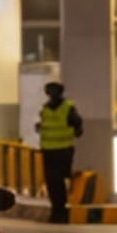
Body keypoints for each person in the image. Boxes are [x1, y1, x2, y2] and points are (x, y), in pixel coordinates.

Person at [35, 80, 83, 224]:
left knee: (57, 181)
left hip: (62, 149)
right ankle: (57, 210)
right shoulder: (46, 109)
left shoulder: (67, 107)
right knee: (52, 182)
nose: (50, 94)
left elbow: (77, 123)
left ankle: (60, 211)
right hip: (50, 150)